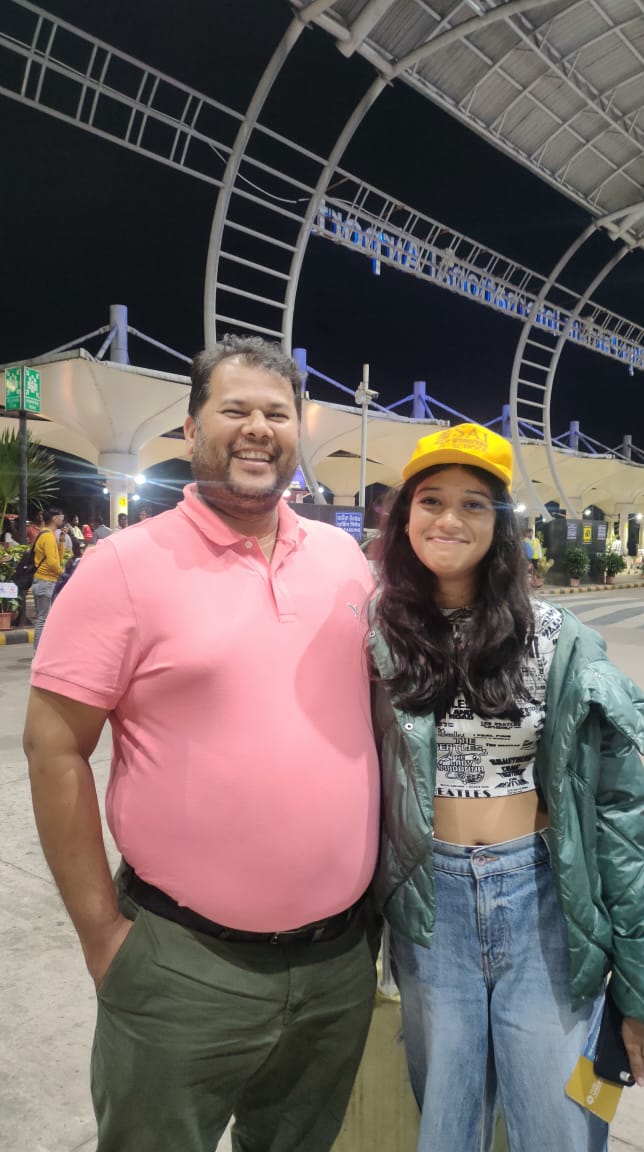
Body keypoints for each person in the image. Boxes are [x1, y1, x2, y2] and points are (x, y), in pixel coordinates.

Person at [23, 335, 380, 1152]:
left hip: (336, 968)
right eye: (236, 410)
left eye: (277, 413)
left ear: (300, 432)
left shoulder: (344, 561)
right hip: (181, 968)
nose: (258, 428)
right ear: (191, 430)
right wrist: (103, 938)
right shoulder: (122, 568)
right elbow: (52, 749)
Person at [368, 422, 644, 1152]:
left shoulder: (558, 638)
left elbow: (621, 811)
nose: (450, 520)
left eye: (474, 504)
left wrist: (641, 982)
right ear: (405, 517)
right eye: (431, 500)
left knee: (558, 1126)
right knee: (448, 1122)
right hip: (433, 910)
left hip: (544, 901)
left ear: (501, 523)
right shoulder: (375, 636)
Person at [31, 506, 67, 651]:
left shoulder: (48, 535)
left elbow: (57, 558)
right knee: (42, 620)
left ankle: (43, 650)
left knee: (44, 618)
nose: (63, 519)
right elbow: (53, 563)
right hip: (45, 581)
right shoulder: (48, 536)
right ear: (54, 518)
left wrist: (62, 541)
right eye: (61, 517)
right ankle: (39, 652)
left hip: (44, 581)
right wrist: (63, 575)